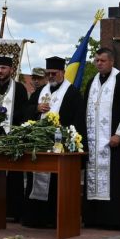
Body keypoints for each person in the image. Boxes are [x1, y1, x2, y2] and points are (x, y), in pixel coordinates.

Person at [23, 57, 85, 229]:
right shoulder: (40, 92)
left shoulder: (72, 93)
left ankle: (53, 218)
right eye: (48, 73)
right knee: (36, 178)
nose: (51, 76)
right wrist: (36, 109)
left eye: (54, 73)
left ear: (62, 73)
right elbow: (25, 111)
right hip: (39, 144)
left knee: (56, 184)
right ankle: (35, 218)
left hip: (59, 146)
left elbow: (78, 120)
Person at [80, 48, 120, 229]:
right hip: (93, 140)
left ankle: (114, 219)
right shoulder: (92, 82)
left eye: (102, 60)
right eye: (96, 60)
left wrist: (119, 133)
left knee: (115, 180)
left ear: (111, 62)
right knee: (92, 177)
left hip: (113, 142)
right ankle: (93, 217)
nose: (99, 64)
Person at [0, 56, 32, 222]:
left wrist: (7, 118)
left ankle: (15, 211)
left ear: (11, 70)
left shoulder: (19, 89)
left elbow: (24, 112)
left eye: (4, 68)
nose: (0, 71)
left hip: (12, 137)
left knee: (14, 175)